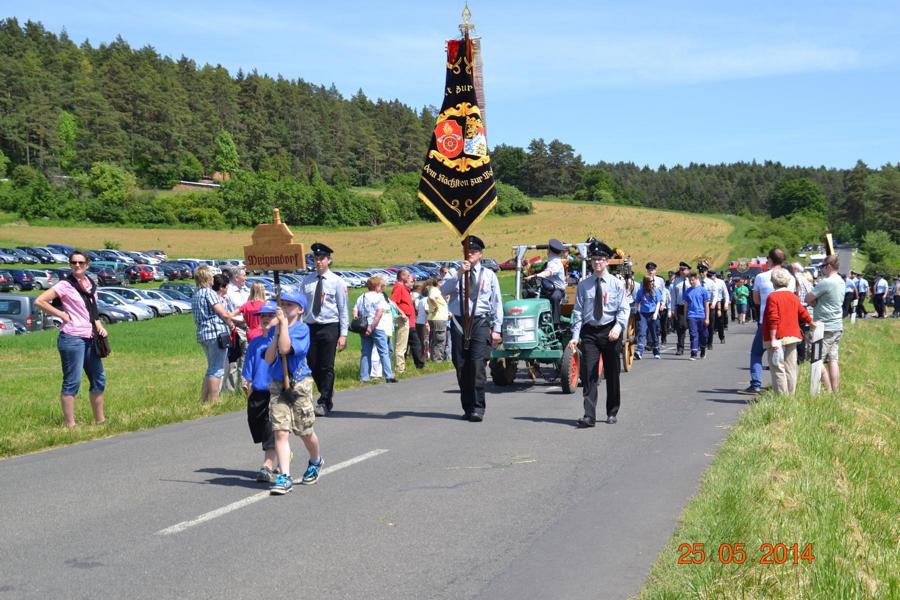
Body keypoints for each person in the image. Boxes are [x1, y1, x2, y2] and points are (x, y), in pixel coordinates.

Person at [35, 250, 109, 427]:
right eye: (74, 262)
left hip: (91, 337)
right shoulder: (65, 285)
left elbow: (92, 309)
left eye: (81, 262)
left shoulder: (90, 283)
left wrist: (99, 325)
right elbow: (40, 301)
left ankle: (100, 421)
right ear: (70, 264)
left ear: (87, 265)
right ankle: (70, 426)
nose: (77, 265)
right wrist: (62, 314)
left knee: (99, 379)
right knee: (72, 382)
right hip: (72, 338)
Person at [265, 290, 322, 495]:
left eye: (289, 305)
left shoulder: (302, 329)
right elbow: (269, 358)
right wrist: (276, 333)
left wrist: (283, 328)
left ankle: (315, 460)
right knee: (280, 431)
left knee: (304, 430)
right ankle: (285, 476)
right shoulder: (276, 329)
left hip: (298, 385)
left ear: (299, 310)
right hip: (278, 384)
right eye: (282, 304)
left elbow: (285, 349)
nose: (284, 308)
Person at [440, 236, 503, 422]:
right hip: (459, 322)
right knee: (461, 364)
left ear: (481, 254)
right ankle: (467, 406)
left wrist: (497, 328)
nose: (470, 254)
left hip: (479, 322)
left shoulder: (489, 275)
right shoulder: (455, 272)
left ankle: (477, 407)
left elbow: (497, 302)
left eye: (474, 251)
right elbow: (443, 290)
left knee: (477, 365)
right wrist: (460, 273)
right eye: (467, 251)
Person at [568, 240, 630, 427]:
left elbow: (624, 309)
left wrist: (617, 328)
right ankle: (589, 415)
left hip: (610, 331)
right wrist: (575, 336)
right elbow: (578, 312)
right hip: (590, 333)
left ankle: (612, 411)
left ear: (607, 261)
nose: (597, 262)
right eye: (594, 259)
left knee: (612, 373)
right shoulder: (584, 285)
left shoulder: (616, 284)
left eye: (601, 259)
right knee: (589, 373)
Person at [301, 242, 349, 417]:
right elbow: (301, 305)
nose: (319, 261)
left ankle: (325, 401)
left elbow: (343, 309)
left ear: (329, 260)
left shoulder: (337, 282)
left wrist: (343, 334)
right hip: (311, 326)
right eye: (316, 258)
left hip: (330, 326)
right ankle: (326, 389)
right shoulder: (307, 281)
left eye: (322, 258)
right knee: (312, 363)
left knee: (326, 365)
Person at [739, 248, 795, 395]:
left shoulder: (761, 277)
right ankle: (788, 388)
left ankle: (756, 384)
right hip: (786, 321)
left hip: (766, 321)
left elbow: (756, 300)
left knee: (757, 353)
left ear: (770, 260)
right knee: (787, 358)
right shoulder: (791, 277)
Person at [241, 300, 278, 483]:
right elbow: (248, 368)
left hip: (275, 391)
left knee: (271, 426)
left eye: (270, 315)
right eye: (263, 315)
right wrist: (247, 385)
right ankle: (283, 450)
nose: (265, 318)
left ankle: (267, 465)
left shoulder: (280, 342)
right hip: (257, 390)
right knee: (256, 423)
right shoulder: (255, 343)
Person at [763, 268, 815, 396]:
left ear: (773, 282)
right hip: (792, 335)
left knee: (777, 366)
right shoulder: (793, 296)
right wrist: (811, 322)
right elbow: (802, 312)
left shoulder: (772, 297)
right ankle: (791, 395)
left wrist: (773, 338)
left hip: (777, 337)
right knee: (791, 367)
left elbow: (773, 318)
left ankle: (782, 396)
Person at [190, 266, 233, 405]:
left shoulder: (196, 294)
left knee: (211, 368)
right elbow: (223, 313)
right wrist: (231, 323)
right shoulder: (209, 293)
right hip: (215, 333)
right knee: (217, 369)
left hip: (203, 334)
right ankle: (214, 400)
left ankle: (203, 399)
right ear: (208, 278)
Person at [805, 254, 844, 392]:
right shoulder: (840, 281)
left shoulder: (826, 282)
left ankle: (827, 390)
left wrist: (815, 301)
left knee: (816, 358)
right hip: (837, 324)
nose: (821, 269)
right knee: (833, 359)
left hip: (823, 326)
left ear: (828, 266)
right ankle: (835, 391)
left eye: (822, 266)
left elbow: (808, 298)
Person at [354, 276, 396, 383]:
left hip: (363, 327)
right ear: (377, 286)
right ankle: (388, 375)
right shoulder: (379, 297)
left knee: (366, 352)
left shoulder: (361, 297)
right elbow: (379, 314)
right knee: (383, 351)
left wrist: (361, 323)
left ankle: (364, 377)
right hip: (377, 327)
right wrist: (371, 327)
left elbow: (355, 311)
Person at [390, 269, 424, 374]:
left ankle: (402, 366)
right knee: (403, 345)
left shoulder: (404, 288)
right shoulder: (399, 287)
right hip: (403, 319)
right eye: (408, 275)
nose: (410, 277)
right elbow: (392, 302)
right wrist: (401, 313)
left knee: (405, 345)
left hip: (409, 320)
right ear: (402, 276)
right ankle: (401, 368)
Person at [526, 238, 567, 324]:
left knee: (555, 297)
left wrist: (534, 276)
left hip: (557, 290)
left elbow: (548, 273)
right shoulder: (550, 261)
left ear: (549, 250)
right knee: (529, 294)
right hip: (546, 288)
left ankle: (556, 323)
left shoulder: (555, 262)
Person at [683, 271, 710, 360]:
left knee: (704, 335)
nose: (691, 282)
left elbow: (706, 305)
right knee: (693, 334)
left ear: (696, 279)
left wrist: (707, 318)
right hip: (691, 316)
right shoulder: (687, 292)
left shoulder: (703, 290)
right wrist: (685, 319)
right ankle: (693, 353)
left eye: (693, 280)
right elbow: (686, 306)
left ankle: (703, 348)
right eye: (690, 280)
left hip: (701, 315)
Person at [634, 275, 662, 359]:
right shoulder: (641, 291)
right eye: (650, 281)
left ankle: (656, 351)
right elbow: (637, 302)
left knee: (654, 333)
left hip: (653, 313)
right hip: (643, 314)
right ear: (646, 282)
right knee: (642, 332)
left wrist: (656, 313)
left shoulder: (656, 290)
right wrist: (636, 312)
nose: (652, 283)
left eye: (653, 281)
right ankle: (639, 351)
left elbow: (658, 302)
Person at [669, 262, 691, 355]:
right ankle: (680, 347)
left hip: (691, 307)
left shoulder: (693, 280)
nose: (682, 271)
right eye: (680, 270)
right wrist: (672, 308)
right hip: (680, 307)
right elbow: (673, 295)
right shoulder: (676, 281)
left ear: (688, 270)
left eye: (683, 270)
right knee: (680, 327)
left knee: (693, 327)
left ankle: (695, 345)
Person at [427, 276, 449, 361]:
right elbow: (431, 297)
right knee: (440, 340)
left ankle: (435, 358)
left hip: (437, 317)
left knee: (436, 339)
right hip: (438, 318)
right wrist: (436, 306)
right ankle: (438, 359)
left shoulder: (434, 290)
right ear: (438, 283)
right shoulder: (434, 290)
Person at [709, 270, 729, 344]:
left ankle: (722, 337)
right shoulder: (708, 282)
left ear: (714, 275)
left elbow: (726, 293)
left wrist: (726, 303)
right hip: (710, 303)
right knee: (710, 321)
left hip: (720, 302)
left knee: (720, 321)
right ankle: (709, 340)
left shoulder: (721, 282)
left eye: (711, 276)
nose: (710, 277)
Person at [412, 282, 429, 360]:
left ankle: (421, 355)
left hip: (418, 321)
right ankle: (423, 356)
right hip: (423, 322)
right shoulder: (426, 300)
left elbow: (418, 310)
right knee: (424, 340)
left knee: (420, 339)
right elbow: (427, 310)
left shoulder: (421, 300)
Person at [659, 281, 671, 345]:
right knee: (657, 325)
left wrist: (669, 310)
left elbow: (669, 301)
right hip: (656, 309)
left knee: (663, 325)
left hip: (664, 310)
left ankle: (663, 339)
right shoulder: (656, 290)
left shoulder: (666, 291)